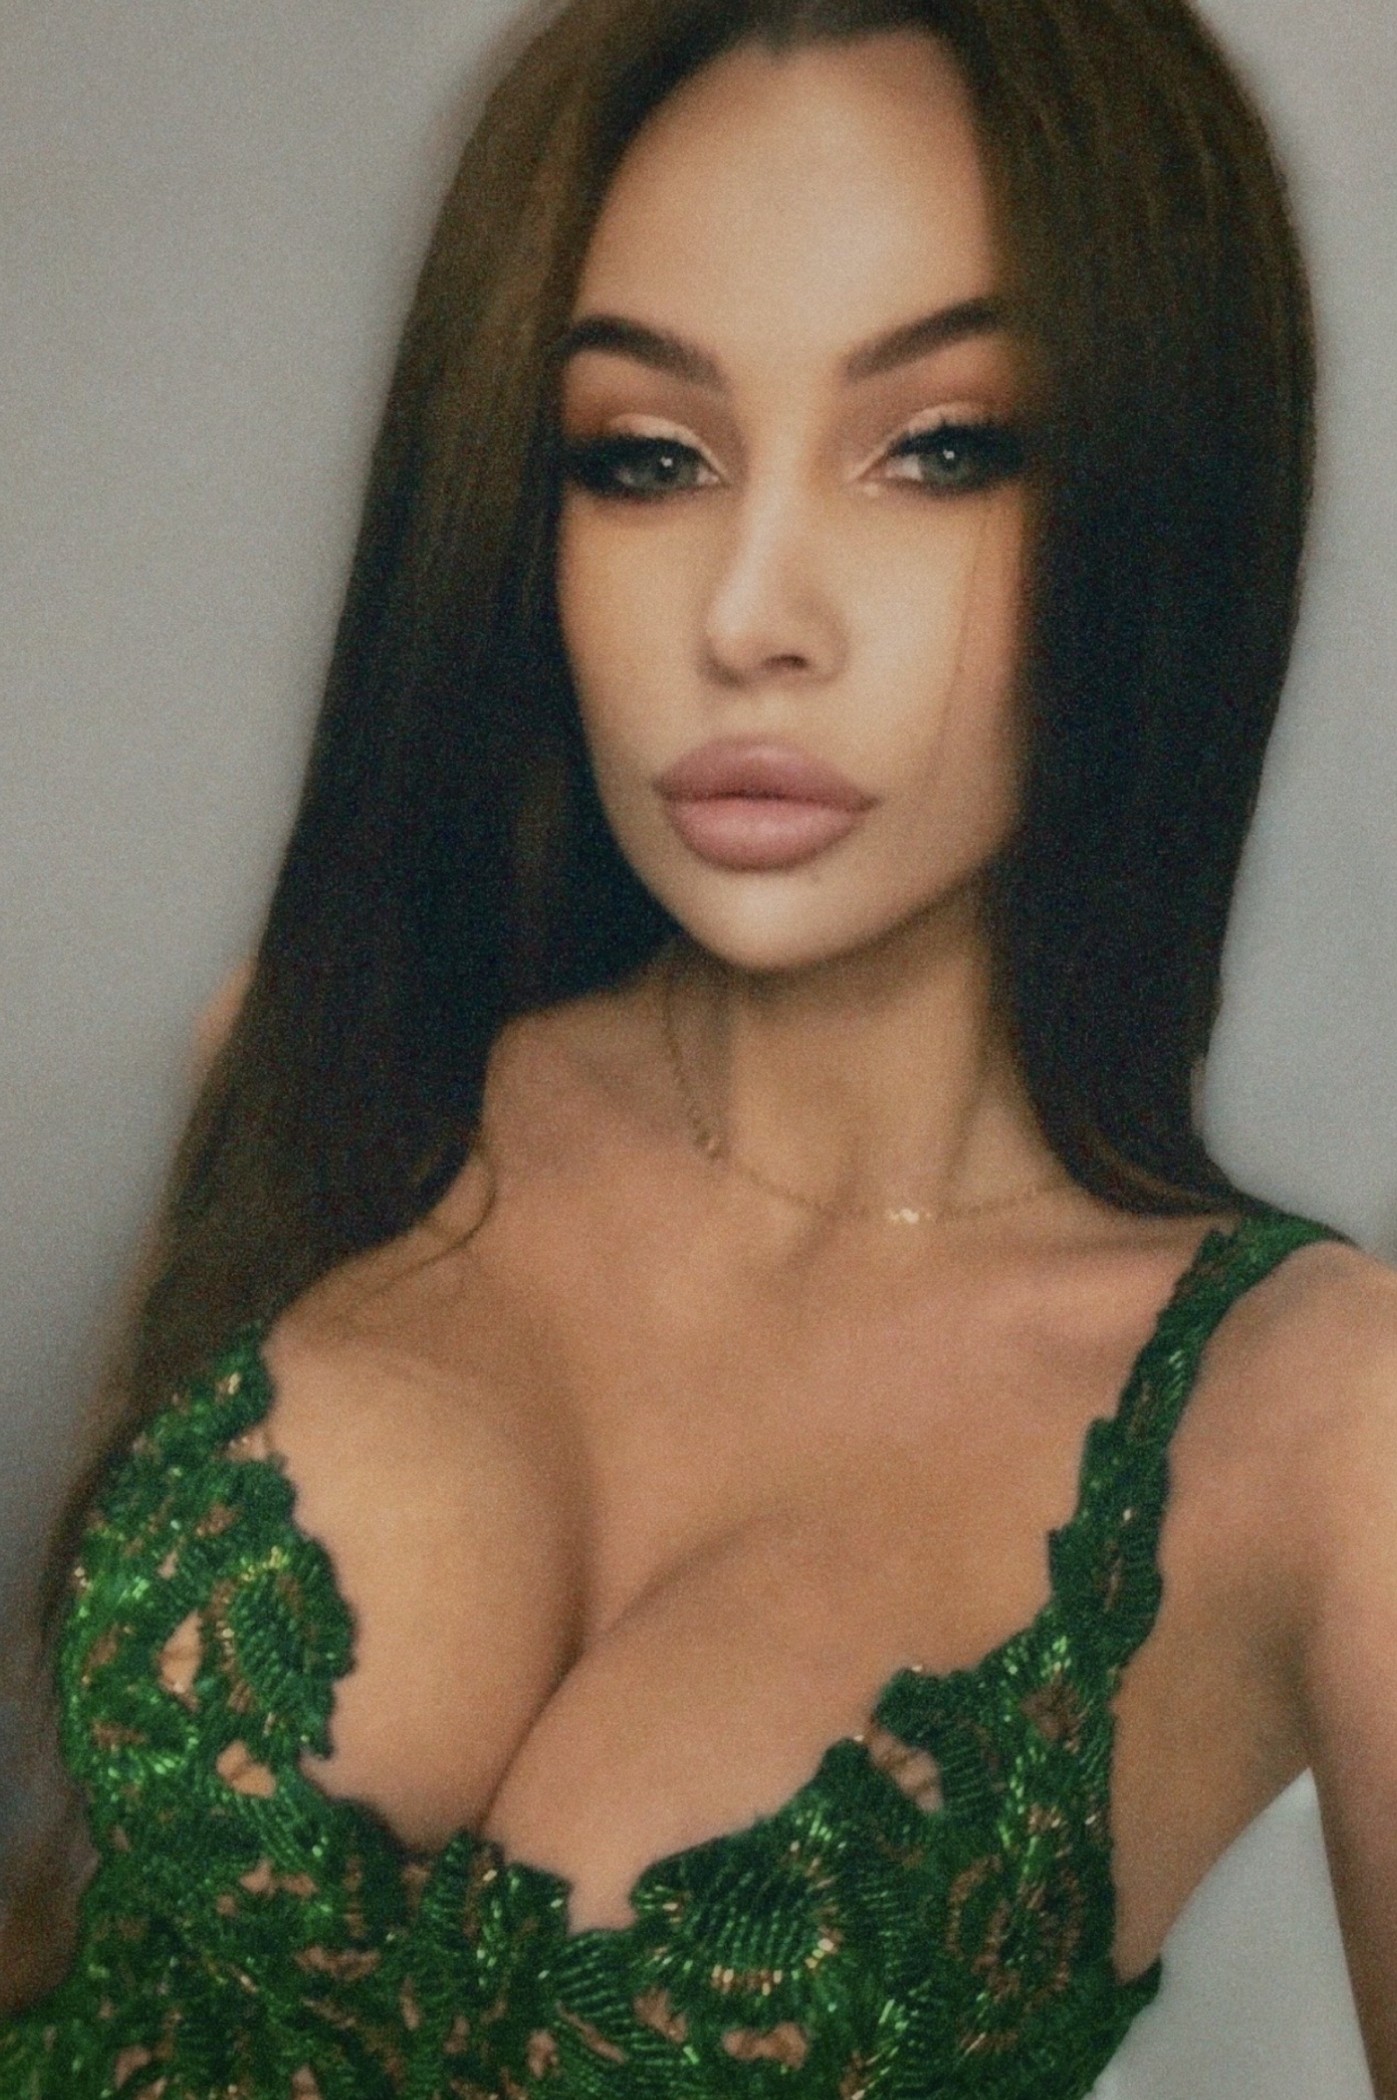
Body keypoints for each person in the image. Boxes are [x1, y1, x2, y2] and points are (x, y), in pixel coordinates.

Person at [1, 0, 1395, 2091]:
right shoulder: (325, 1068)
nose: (749, 615)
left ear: (1170, 497)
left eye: (941, 448)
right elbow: (63, 1925)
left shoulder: (1327, 1436)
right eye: (644, 458)